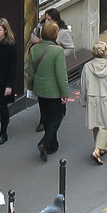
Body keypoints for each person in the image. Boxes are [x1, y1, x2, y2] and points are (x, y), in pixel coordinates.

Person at [30, 8, 75, 132]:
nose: (46, 21)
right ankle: (43, 121)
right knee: (44, 101)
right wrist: (34, 39)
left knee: (57, 90)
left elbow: (70, 48)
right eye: (46, 19)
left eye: (49, 19)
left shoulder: (63, 32)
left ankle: (61, 108)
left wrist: (58, 54)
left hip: (56, 61)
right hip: (43, 63)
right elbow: (32, 35)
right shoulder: (40, 27)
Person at [29, 21, 68, 161]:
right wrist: (64, 93)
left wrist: (30, 87)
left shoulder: (34, 49)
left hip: (39, 88)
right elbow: (61, 75)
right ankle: (44, 142)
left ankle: (51, 145)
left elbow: (31, 71)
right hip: (54, 91)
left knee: (46, 116)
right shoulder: (57, 50)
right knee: (57, 117)